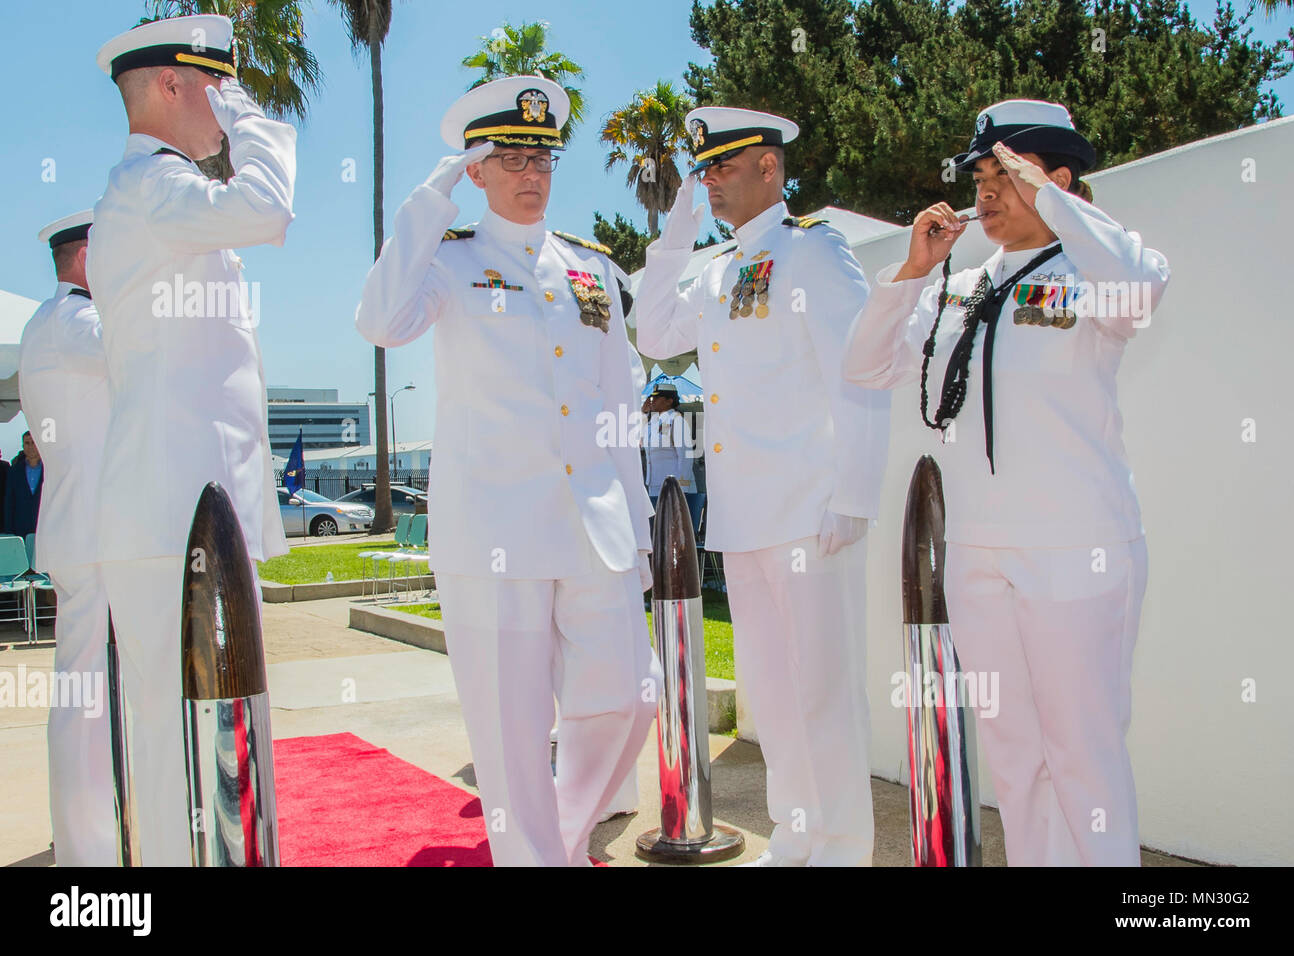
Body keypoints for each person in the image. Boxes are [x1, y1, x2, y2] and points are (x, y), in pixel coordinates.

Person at [843, 99, 1171, 866]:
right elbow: (865, 367)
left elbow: (1142, 289)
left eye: (1006, 176)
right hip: (978, 551)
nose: (984, 192)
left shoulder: (1093, 272)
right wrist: (912, 271)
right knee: (1017, 754)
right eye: (981, 176)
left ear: (1058, 181)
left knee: (1082, 753)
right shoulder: (960, 284)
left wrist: (1054, 199)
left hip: (1076, 549)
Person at [355, 76, 659, 866]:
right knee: (510, 731)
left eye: (543, 158)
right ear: (478, 171)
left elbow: (619, 405)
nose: (531, 173)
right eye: (511, 157)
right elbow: (380, 322)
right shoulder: (448, 261)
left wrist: (641, 526)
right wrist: (430, 200)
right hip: (493, 531)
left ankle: (555, 838)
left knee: (632, 696)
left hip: (593, 524)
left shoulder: (591, 270)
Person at [636, 106, 892, 866]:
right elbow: (652, 335)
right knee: (775, 704)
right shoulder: (714, 269)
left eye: (722, 166)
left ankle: (844, 850)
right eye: (703, 169)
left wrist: (853, 494)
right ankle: (798, 837)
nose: (708, 180)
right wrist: (674, 236)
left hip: (811, 512)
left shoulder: (811, 251)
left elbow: (862, 372)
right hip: (745, 518)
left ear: (769, 168)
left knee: (825, 696)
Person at [87, 13, 296, 866]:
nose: (226, 104)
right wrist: (257, 121)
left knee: (200, 737)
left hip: (182, 511)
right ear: (170, 83)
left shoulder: (157, 191)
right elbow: (270, 206)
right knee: (183, 748)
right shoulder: (151, 187)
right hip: (173, 513)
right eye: (217, 84)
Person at [18, 210, 116, 866]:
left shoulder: (46, 323)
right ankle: (88, 853)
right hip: (97, 532)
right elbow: (152, 358)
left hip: (85, 528)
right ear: (87, 258)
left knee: (90, 693)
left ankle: (88, 838)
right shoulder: (78, 325)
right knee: (87, 699)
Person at [641, 382, 694, 507]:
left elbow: (686, 457)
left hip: (673, 489)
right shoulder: (652, 422)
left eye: (657, 398)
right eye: (652, 397)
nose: (652, 401)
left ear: (669, 401)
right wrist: (643, 413)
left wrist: (681, 488)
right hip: (654, 485)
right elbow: (640, 442)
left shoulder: (677, 420)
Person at [5, 432, 45, 538]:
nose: (31, 446)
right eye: (27, 443)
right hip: (20, 529)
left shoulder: (49, 470)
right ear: (23, 446)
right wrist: (9, 531)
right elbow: (9, 502)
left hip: (44, 527)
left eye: (34, 443)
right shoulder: (14, 471)